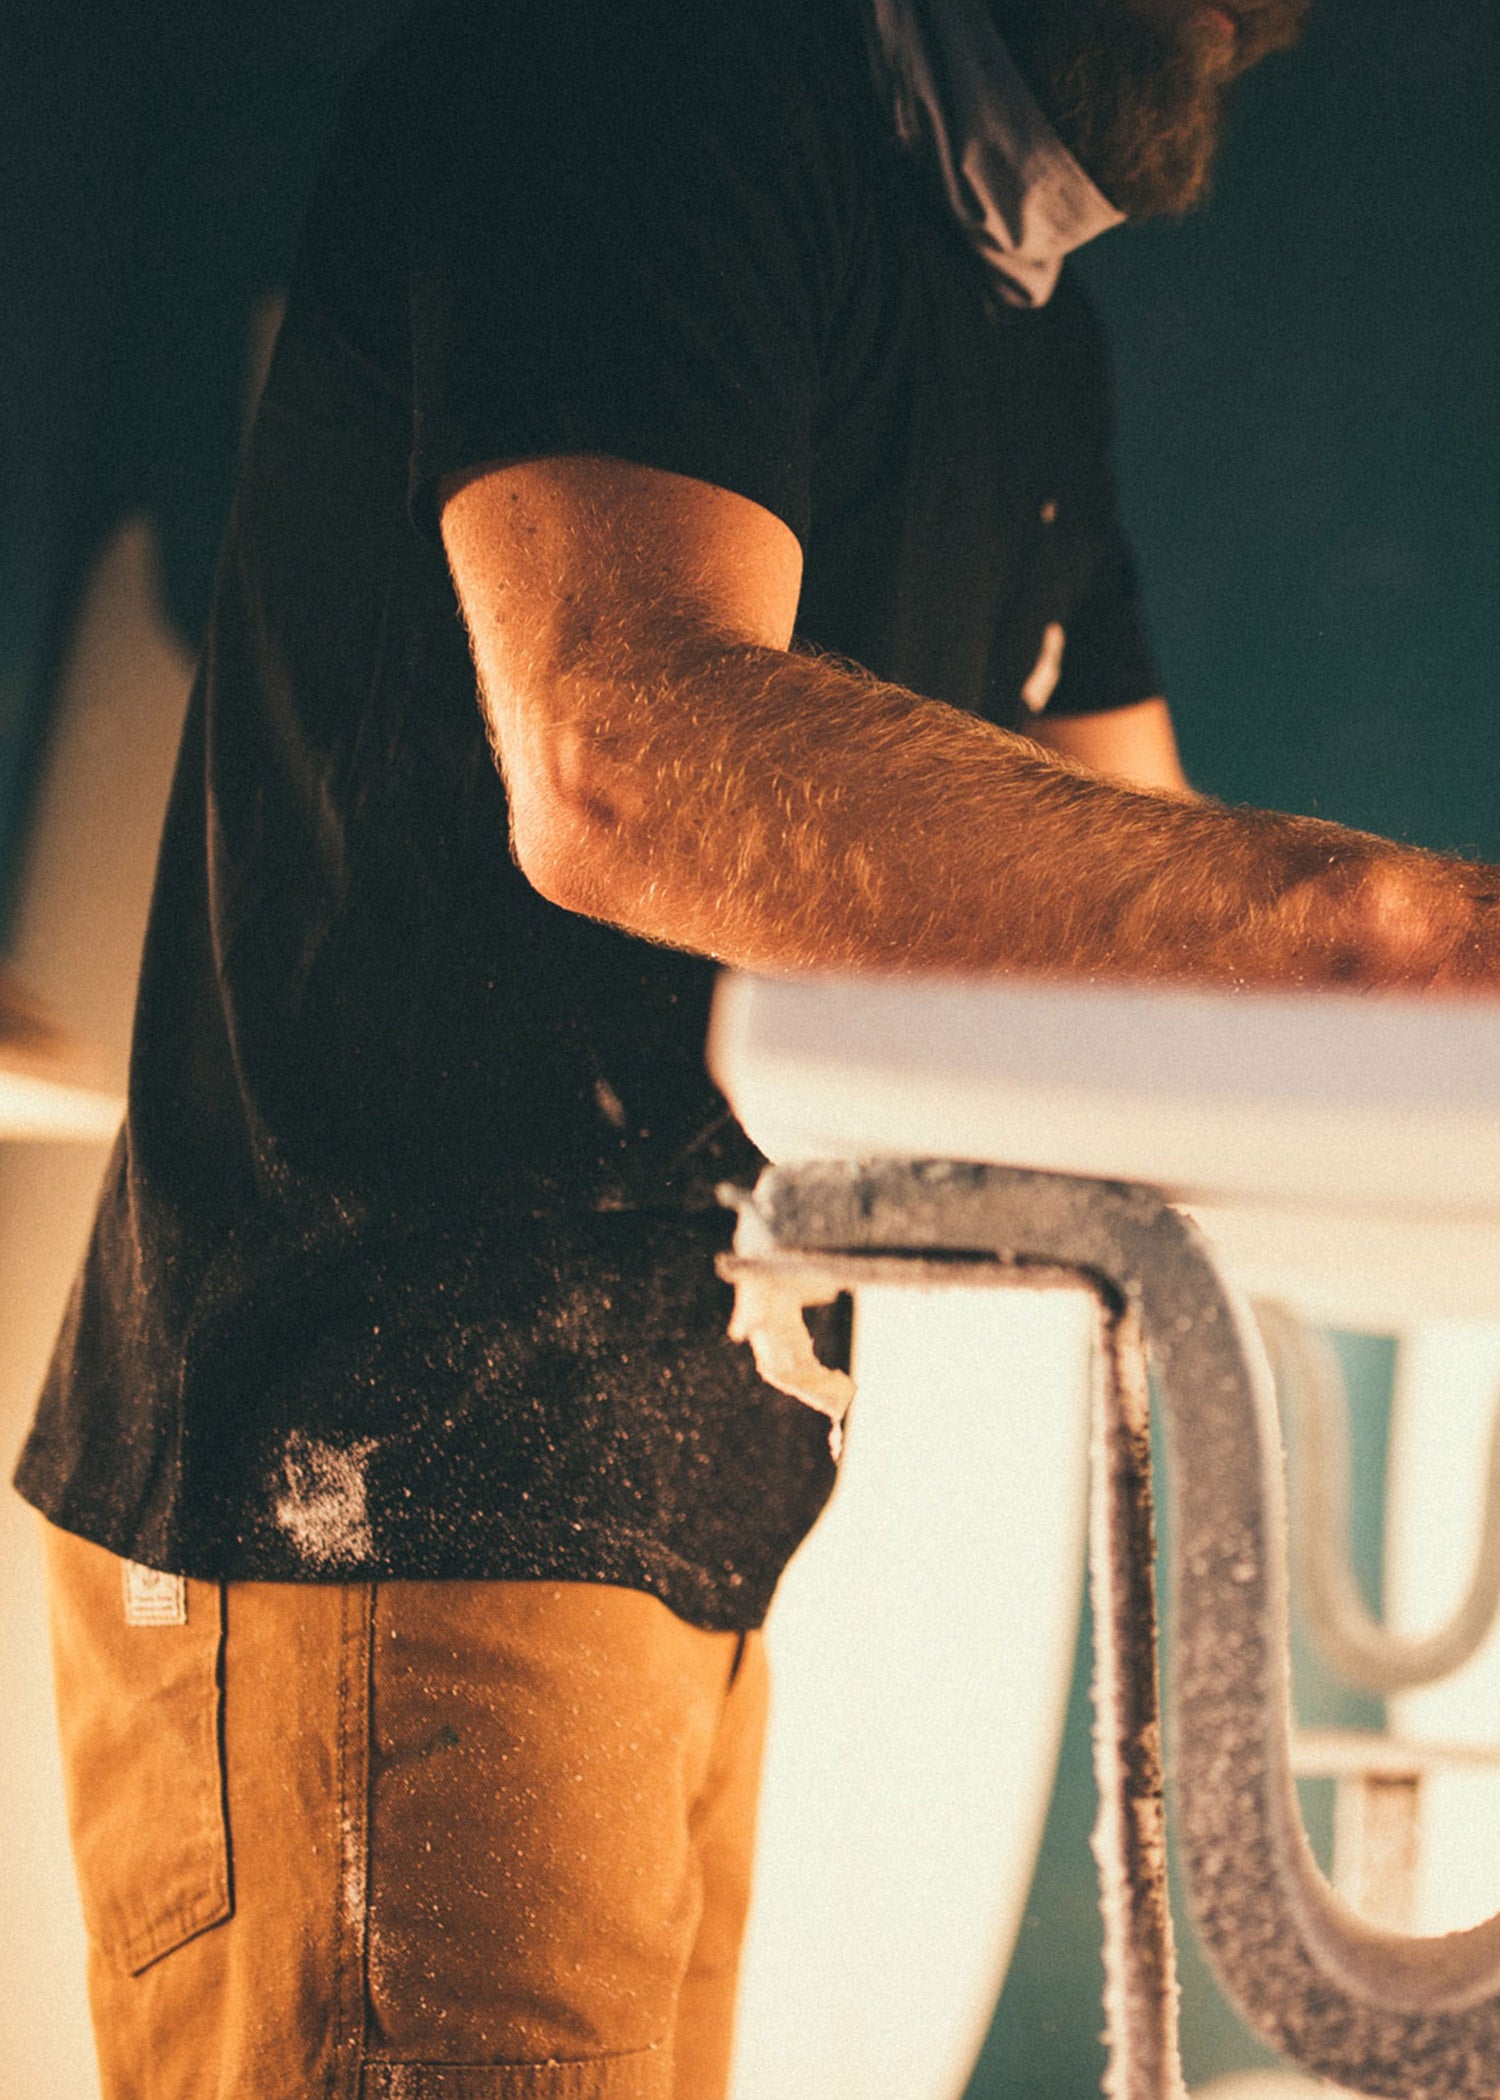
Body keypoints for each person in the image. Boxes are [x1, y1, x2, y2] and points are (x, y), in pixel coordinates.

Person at [15, 0, 1500, 2094]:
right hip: (388, 1472)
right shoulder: (641, 73)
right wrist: (1398, 933)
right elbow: (621, 751)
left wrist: (1385, 989)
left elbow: (1161, 930)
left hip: (676, 1496)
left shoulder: (1020, 322)